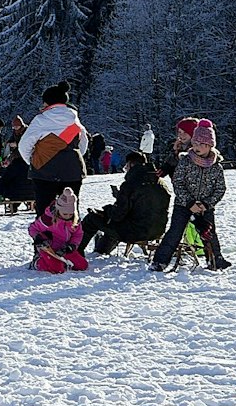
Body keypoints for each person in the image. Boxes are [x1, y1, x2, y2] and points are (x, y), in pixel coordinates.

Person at [152, 120, 231, 271]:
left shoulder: (216, 166)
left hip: (204, 206)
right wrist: (189, 203)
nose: (197, 147)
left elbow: (220, 188)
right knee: (175, 232)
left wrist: (206, 204)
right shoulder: (185, 161)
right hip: (184, 204)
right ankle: (160, 261)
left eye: (201, 144)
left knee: (209, 232)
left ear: (209, 145)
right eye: (195, 143)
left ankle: (215, 259)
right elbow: (178, 183)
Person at [18, 81, 89, 217]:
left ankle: (46, 237)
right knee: (70, 210)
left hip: (44, 171)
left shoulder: (41, 119)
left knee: (44, 211)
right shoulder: (75, 119)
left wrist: (32, 161)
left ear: (48, 102)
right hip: (72, 170)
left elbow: (24, 145)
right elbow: (83, 144)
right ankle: (70, 235)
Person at [81, 152, 169, 255]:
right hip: (157, 231)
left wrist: (107, 210)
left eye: (126, 166)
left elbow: (118, 215)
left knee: (92, 219)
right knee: (117, 224)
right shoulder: (161, 183)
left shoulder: (130, 184)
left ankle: (76, 250)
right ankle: (101, 250)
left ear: (131, 164)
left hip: (136, 231)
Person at [29, 188, 88, 273]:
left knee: (82, 265)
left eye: (70, 214)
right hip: (49, 249)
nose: (67, 216)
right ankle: (37, 262)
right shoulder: (48, 219)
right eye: (65, 214)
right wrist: (38, 237)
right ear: (58, 210)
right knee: (58, 269)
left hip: (64, 249)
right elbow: (33, 228)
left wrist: (72, 245)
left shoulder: (74, 221)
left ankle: (62, 262)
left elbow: (78, 234)